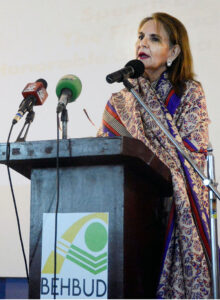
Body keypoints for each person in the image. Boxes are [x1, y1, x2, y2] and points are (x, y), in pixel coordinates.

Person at [97, 12, 211, 299]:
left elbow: (191, 155)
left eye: (154, 38)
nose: (142, 43)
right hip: (126, 218)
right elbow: (104, 152)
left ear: (173, 51)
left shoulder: (189, 94)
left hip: (171, 212)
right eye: (140, 36)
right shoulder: (121, 100)